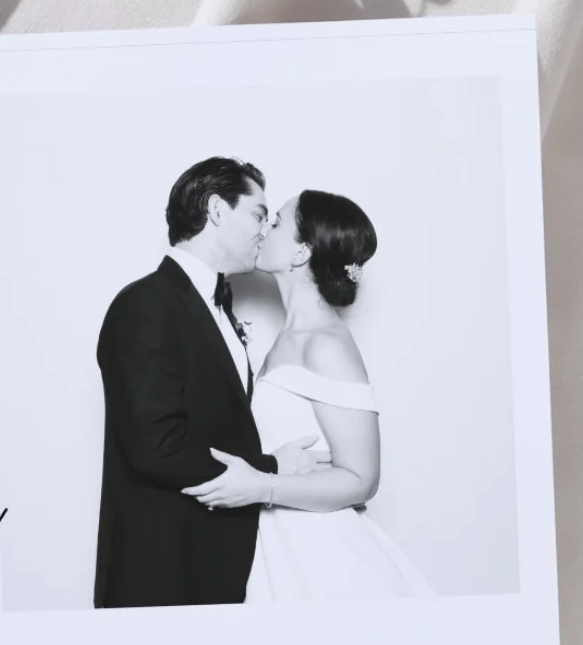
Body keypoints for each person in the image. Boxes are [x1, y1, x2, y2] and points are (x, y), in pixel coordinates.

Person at [93, 158, 326, 608]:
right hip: (161, 573)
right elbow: (156, 446)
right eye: (258, 214)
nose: (264, 229)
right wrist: (272, 469)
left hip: (221, 566)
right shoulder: (144, 303)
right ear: (217, 209)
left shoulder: (218, 306)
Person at [185, 190, 433, 600]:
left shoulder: (326, 344)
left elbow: (362, 479)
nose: (265, 228)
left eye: (277, 222)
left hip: (319, 561)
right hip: (272, 550)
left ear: (301, 253)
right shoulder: (286, 339)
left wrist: (262, 487)